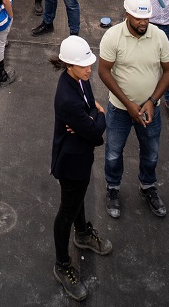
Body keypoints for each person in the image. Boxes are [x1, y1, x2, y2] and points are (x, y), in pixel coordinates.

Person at [98, 0, 169, 219]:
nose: (143, 22)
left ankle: (148, 186)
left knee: (151, 153)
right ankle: (113, 188)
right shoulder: (113, 36)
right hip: (120, 110)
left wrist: (152, 101)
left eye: (147, 18)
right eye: (138, 18)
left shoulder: (159, 36)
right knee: (113, 153)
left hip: (150, 111)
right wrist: (128, 104)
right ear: (127, 14)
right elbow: (103, 71)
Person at [50, 35, 112, 302]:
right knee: (67, 210)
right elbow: (96, 130)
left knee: (77, 198)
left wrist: (92, 117)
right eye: (84, 65)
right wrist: (97, 117)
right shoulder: (67, 98)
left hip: (80, 157)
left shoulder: (80, 81)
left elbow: (91, 112)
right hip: (71, 161)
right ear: (68, 65)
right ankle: (62, 265)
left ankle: (83, 233)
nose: (90, 69)